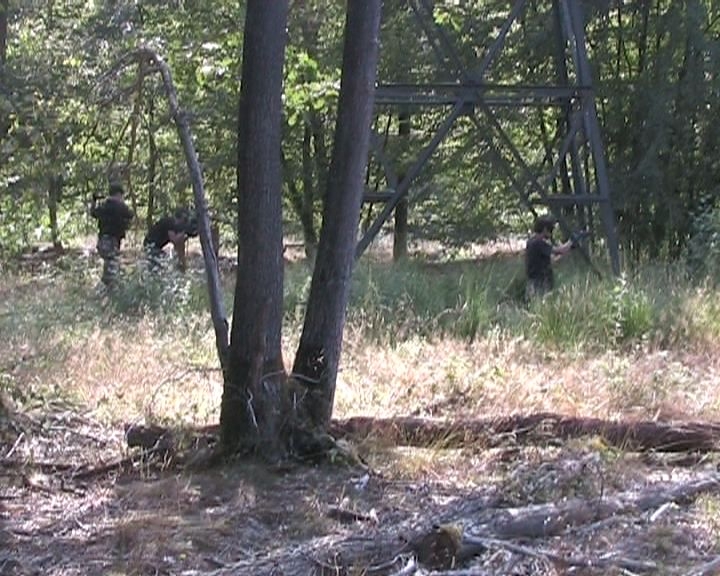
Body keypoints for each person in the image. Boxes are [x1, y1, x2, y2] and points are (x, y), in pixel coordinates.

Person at [90, 182, 134, 287]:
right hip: (112, 241)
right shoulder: (121, 206)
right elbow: (130, 215)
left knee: (109, 268)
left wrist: (94, 201)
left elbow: (93, 212)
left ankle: (104, 289)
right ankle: (107, 291)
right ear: (118, 194)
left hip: (102, 241)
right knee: (112, 270)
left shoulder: (104, 205)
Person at [525, 215, 577, 299]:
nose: (551, 232)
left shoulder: (532, 241)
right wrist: (572, 241)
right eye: (550, 229)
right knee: (542, 303)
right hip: (540, 282)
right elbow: (559, 250)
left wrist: (568, 248)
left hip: (535, 282)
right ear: (545, 229)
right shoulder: (538, 242)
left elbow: (552, 260)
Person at [143, 208, 198, 272]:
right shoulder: (170, 222)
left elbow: (179, 246)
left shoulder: (176, 227)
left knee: (160, 262)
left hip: (156, 245)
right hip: (150, 244)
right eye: (184, 220)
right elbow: (174, 240)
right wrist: (184, 231)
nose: (184, 222)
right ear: (178, 218)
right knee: (161, 261)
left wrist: (182, 264)